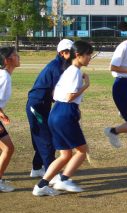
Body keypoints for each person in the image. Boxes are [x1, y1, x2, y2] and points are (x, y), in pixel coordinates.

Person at [32, 40, 92, 196]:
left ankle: (40, 186)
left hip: (55, 113)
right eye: (88, 54)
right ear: (78, 55)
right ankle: (64, 180)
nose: (90, 58)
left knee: (65, 155)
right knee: (81, 151)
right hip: (65, 113)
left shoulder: (68, 70)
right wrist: (86, 85)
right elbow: (70, 96)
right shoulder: (75, 72)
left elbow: (55, 94)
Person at [26, 39, 73, 178]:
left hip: (43, 105)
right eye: (72, 52)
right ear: (63, 53)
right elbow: (57, 93)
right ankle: (50, 175)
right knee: (46, 140)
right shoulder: (56, 68)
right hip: (36, 106)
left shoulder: (61, 65)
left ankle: (36, 168)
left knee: (44, 137)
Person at [0, 47, 20, 192]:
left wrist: (1, 113)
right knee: (8, 148)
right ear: (7, 60)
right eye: (14, 55)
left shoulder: (4, 75)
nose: (18, 56)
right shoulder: (4, 77)